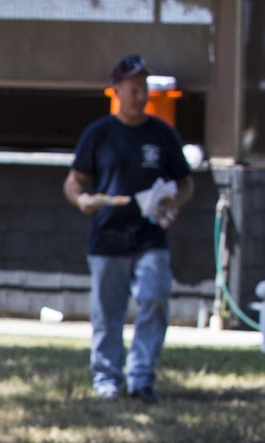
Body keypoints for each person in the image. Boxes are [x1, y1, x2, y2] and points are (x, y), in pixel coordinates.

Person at [64, 54, 193, 403]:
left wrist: (173, 201)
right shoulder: (99, 134)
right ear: (117, 89)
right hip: (107, 235)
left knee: (154, 299)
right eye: (133, 89)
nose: (140, 95)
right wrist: (82, 200)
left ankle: (141, 377)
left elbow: (185, 183)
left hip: (150, 236)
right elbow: (73, 183)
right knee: (108, 312)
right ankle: (107, 378)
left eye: (144, 89)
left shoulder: (162, 135)